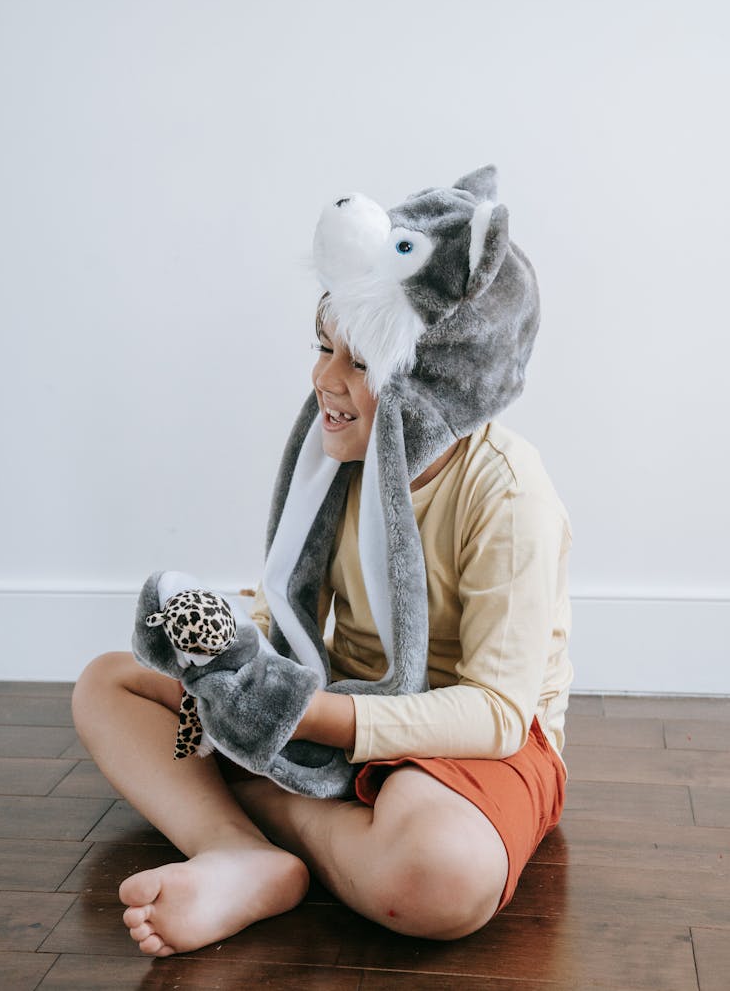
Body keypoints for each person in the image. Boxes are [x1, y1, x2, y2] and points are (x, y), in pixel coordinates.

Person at [72, 168, 573, 956]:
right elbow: (291, 602)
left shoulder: (509, 491)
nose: (324, 380)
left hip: (464, 745)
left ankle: (261, 814)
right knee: (108, 684)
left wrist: (295, 718)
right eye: (322, 345)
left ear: (433, 378)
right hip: (341, 699)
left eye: (362, 362)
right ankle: (238, 850)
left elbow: (499, 712)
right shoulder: (338, 457)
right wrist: (228, 655)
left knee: (438, 871)